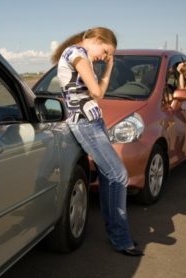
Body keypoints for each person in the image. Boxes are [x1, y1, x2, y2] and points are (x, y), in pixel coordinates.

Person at [51, 27, 143, 256]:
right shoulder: (77, 54)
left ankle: (117, 235)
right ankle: (121, 238)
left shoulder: (82, 57)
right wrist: (102, 69)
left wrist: (110, 66)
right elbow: (97, 92)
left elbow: (96, 93)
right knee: (119, 175)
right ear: (97, 39)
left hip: (94, 121)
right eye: (105, 51)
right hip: (84, 123)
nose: (104, 56)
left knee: (108, 174)